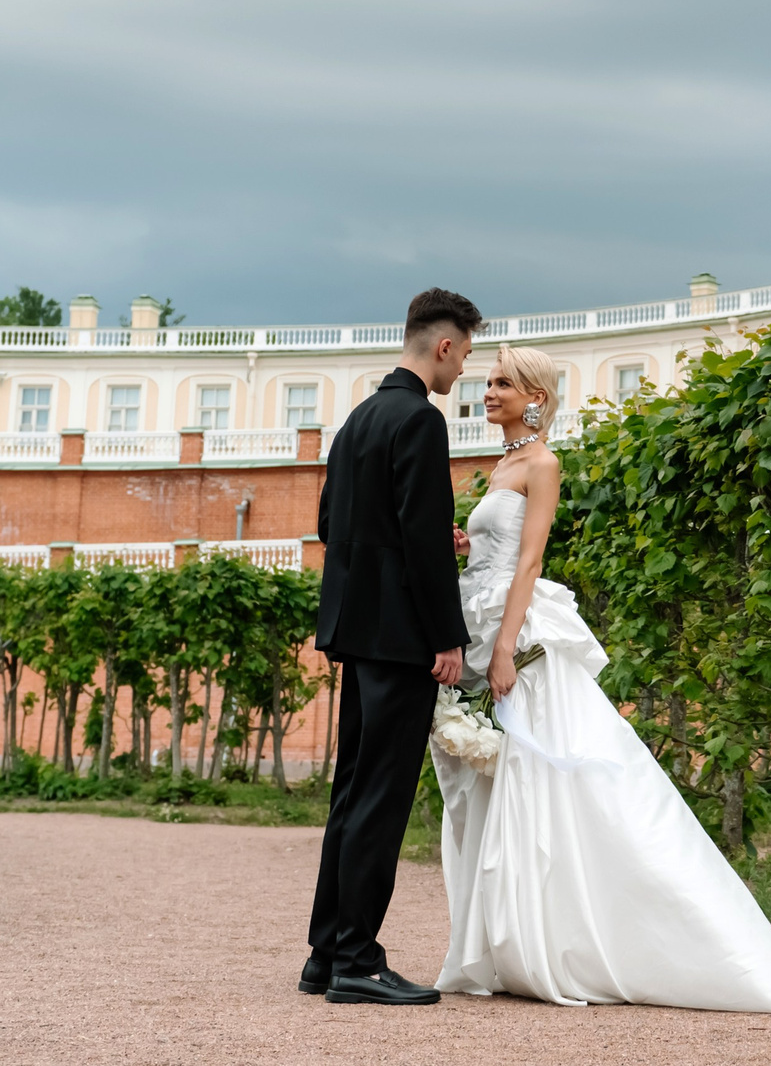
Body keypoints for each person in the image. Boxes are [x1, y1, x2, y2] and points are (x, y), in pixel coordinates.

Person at [430, 344, 771, 1012]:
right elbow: (501, 553)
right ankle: (513, 939)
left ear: (535, 396)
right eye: (488, 379)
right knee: (508, 790)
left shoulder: (544, 462)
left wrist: (504, 649)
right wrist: (468, 547)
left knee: (554, 782)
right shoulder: (502, 463)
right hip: (483, 620)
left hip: (519, 638)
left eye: (502, 382)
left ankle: (600, 937)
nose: (489, 390)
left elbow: (529, 563)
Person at [302, 286, 481, 1006]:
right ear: (442, 345)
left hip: (356, 629)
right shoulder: (420, 419)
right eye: (464, 356)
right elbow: (418, 543)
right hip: (404, 636)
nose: (463, 371)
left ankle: (325, 952)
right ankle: (358, 959)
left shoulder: (358, 420)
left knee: (353, 790)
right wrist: (447, 636)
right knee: (381, 796)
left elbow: (328, 521)